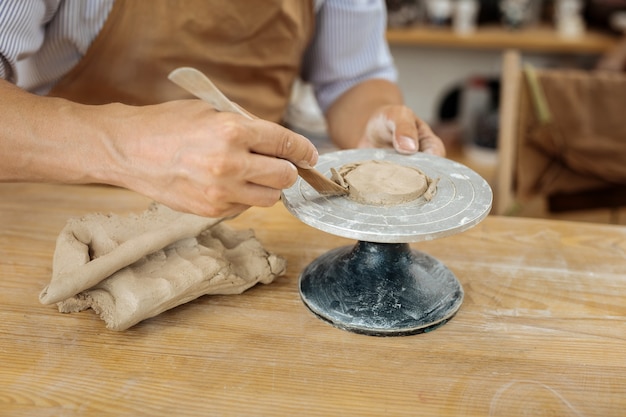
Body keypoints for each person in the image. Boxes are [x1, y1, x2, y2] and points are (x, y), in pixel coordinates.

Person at [0, 0, 445, 218]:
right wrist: (126, 147)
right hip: (64, 209)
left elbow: (351, 76)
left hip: (260, 210)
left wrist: (372, 120)